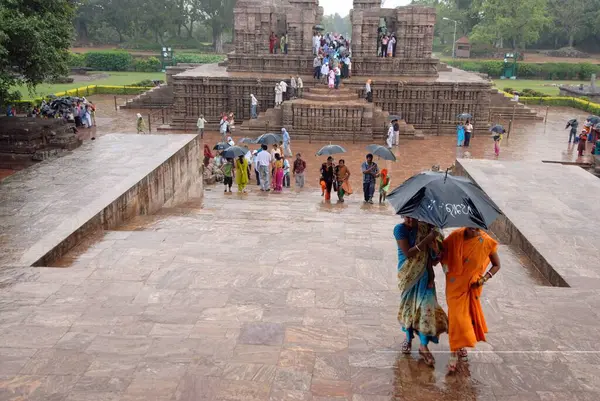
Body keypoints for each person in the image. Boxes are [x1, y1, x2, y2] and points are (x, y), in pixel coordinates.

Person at [441, 226, 501, 372]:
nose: (473, 227)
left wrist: (484, 279)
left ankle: (458, 346)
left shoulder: (486, 242)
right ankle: (454, 352)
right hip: (454, 285)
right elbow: (442, 254)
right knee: (457, 318)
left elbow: (497, 265)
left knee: (464, 319)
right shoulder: (455, 236)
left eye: (476, 224)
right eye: (470, 223)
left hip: (471, 287)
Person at [395, 217, 448, 367]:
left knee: (426, 310)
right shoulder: (399, 229)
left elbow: (434, 258)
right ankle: (408, 337)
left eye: (413, 217)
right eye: (406, 216)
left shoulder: (426, 228)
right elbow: (408, 253)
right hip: (408, 275)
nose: (409, 219)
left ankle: (423, 346)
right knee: (409, 308)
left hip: (425, 276)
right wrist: (427, 240)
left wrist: (435, 246)